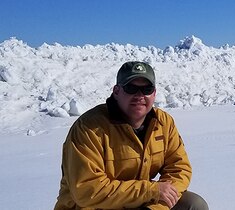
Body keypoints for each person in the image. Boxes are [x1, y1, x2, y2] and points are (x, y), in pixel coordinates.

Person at [54, 61, 208, 210]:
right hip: (94, 206)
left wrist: (157, 206)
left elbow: (179, 169)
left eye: (146, 89)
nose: (139, 95)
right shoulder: (89, 128)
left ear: (154, 94)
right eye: (131, 88)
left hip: (137, 202)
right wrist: (151, 191)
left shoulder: (163, 123)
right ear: (116, 92)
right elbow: (87, 190)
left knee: (194, 205)